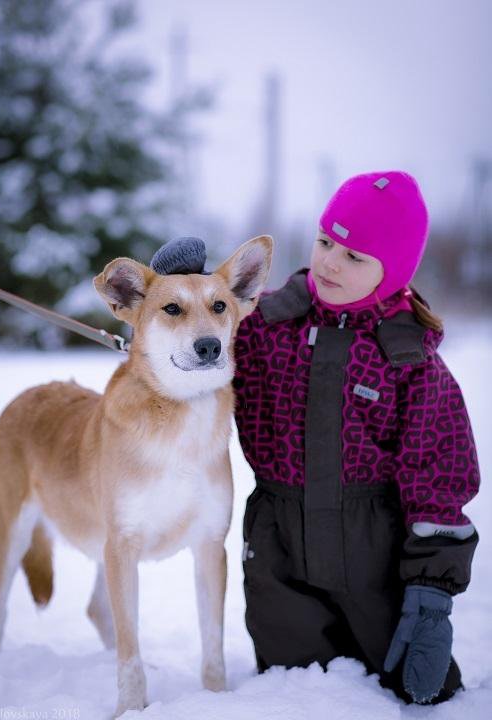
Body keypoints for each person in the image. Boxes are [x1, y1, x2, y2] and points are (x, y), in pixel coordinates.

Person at [232, 170, 480, 704]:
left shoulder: (409, 361)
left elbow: (439, 475)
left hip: (375, 556)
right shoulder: (262, 325)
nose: (328, 263)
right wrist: (176, 301)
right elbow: (196, 346)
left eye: (354, 256)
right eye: (325, 241)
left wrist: (432, 593)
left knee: (416, 692)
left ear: (393, 273)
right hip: (278, 549)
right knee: (290, 696)